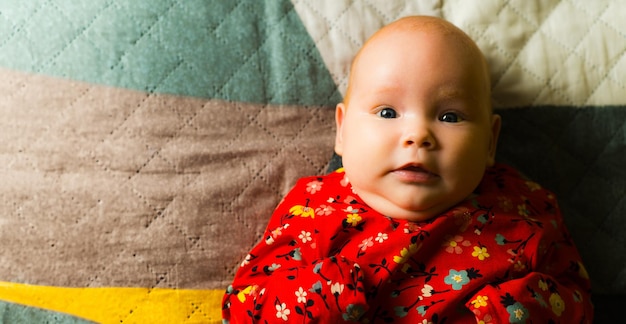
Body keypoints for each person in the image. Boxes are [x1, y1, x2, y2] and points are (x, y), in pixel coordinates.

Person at [221, 16, 593, 323]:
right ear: (343, 130)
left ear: (490, 142)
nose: (418, 135)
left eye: (449, 116)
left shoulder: (522, 206)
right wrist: (322, 296)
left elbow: (578, 299)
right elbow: (243, 305)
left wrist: (520, 309)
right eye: (387, 112)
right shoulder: (316, 207)